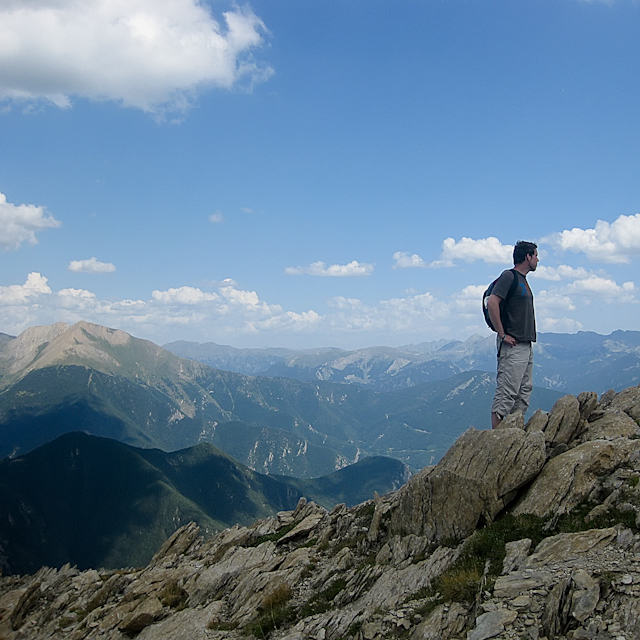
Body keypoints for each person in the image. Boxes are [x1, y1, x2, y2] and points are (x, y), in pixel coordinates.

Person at [487, 240, 539, 429]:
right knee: (506, 394)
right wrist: (502, 335)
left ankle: (512, 435)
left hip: (525, 344)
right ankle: (498, 442)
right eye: (535, 255)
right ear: (527, 257)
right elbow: (492, 303)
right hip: (512, 345)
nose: (538, 260)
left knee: (523, 393)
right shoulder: (509, 277)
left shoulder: (522, 280)